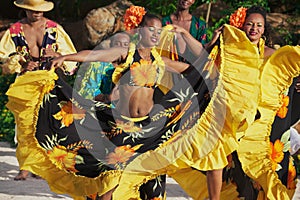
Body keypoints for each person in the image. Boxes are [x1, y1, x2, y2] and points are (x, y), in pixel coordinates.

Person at [0, 0, 77, 180]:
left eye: (41, 10)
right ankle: (25, 166)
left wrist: (58, 56)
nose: (38, 13)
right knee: (24, 124)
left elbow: (70, 57)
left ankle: (42, 166)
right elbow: (3, 58)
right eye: (34, 10)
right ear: (25, 9)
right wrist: (20, 62)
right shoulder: (15, 30)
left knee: (48, 123)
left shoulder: (54, 29)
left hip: (48, 81)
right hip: (25, 82)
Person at [77, 32, 130, 104]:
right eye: (117, 44)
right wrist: (106, 98)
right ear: (111, 45)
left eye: (125, 45)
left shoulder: (132, 65)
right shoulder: (99, 64)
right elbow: (88, 90)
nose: (120, 48)